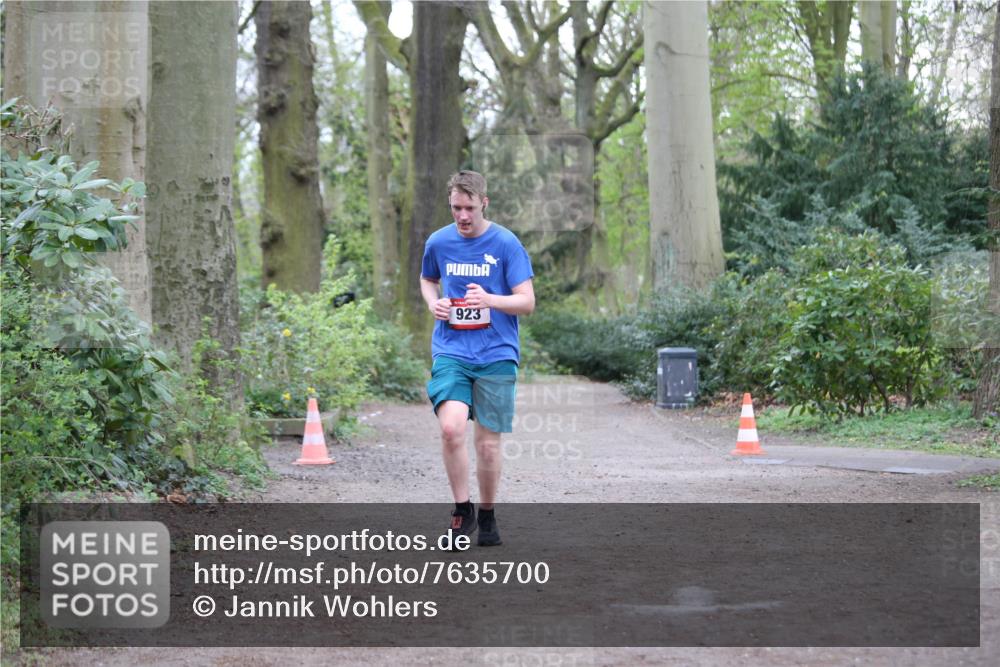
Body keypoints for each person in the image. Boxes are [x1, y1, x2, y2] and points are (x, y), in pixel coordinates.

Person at [420, 170, 535, 546]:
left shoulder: (505, 244)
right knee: (451, 427)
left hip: (497, 352)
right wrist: (433, 302)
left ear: (484, 203)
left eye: (469, 208)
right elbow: (427, 278)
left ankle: (487, 514)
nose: (463, 216)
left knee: (487, 443)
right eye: (456, 208)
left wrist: (490, 300)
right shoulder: (438, 242)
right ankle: (462, 509)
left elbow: (527, 302)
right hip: (451, 349)